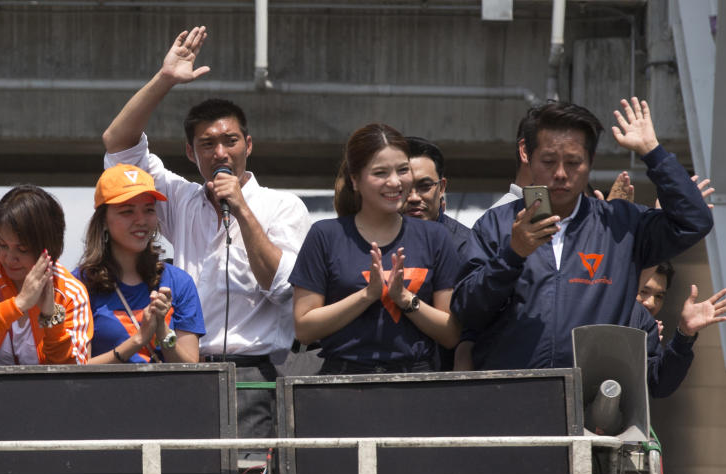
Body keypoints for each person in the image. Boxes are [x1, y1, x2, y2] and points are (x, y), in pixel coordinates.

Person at [101, 26, 311, 437]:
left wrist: (242, 209)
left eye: (230, 141)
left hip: (254, 372)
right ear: (189, 152)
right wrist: (165, 80)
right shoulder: (180, 199)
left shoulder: (284, 206)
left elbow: (283, 286)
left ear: (248, 145)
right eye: (207, 143)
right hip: (184, 365)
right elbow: (117, 145)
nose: (220, 152)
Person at [451, 98, 713, 370]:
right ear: (527, 155)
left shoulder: (622, 224)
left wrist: (653, 153)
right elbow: (466, 311)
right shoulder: (497, 224)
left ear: (591, 161)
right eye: (549, 161)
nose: (561, 174)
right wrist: (512, 255)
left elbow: (694, 221)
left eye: (574, 162)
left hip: (593, 399)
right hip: (514, 396)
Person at [290, 123, 461, 374]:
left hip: (416, 383)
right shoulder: (325, 236)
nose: (395, 182)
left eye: (403, 170)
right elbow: (304, 328)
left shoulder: (435, 237)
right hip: (343, 382)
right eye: (380, 173)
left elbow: (451, 333)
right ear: (355, 180)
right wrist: (366, 296)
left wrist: (404, 299)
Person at [0, 185, 93, 366]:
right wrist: (17, 305)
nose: (10, 258)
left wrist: (51, 317)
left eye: (22, 249)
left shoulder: (70, 291)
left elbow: (76, 369)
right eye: (2, 245)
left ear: (48, 247)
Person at [75, 164, 204, 364]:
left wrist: (162, 331)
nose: (141, 220)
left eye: (149, 210)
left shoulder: (179, 282)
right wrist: (138, 340)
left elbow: (191, 368)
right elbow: (74, 369)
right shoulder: (79, 285)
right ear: (103, 221)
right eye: (127, 211)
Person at [633, 262, 726, 397]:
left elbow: (659, 385)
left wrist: (684, 334)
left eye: (659, 296)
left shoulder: (649, 334)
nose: (651, 303)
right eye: (643, 291)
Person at [401, 136, 471, 261]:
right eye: (404, 187)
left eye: (425, 186)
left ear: (442, 188)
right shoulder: (373, 241)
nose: (414, 197)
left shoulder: (466, 246)